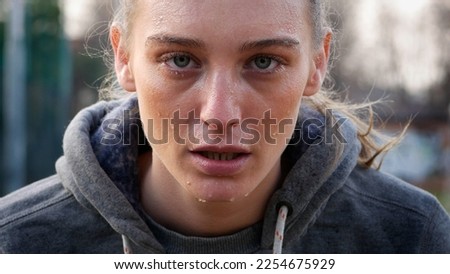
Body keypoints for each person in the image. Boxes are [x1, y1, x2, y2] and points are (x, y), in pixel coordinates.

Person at [1, 0, 449, 254]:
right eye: (180, 60)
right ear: (124, 57)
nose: (220, 115)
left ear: (317, 63)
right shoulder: (18, 244)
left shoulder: (409, 239)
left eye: (263, 61)